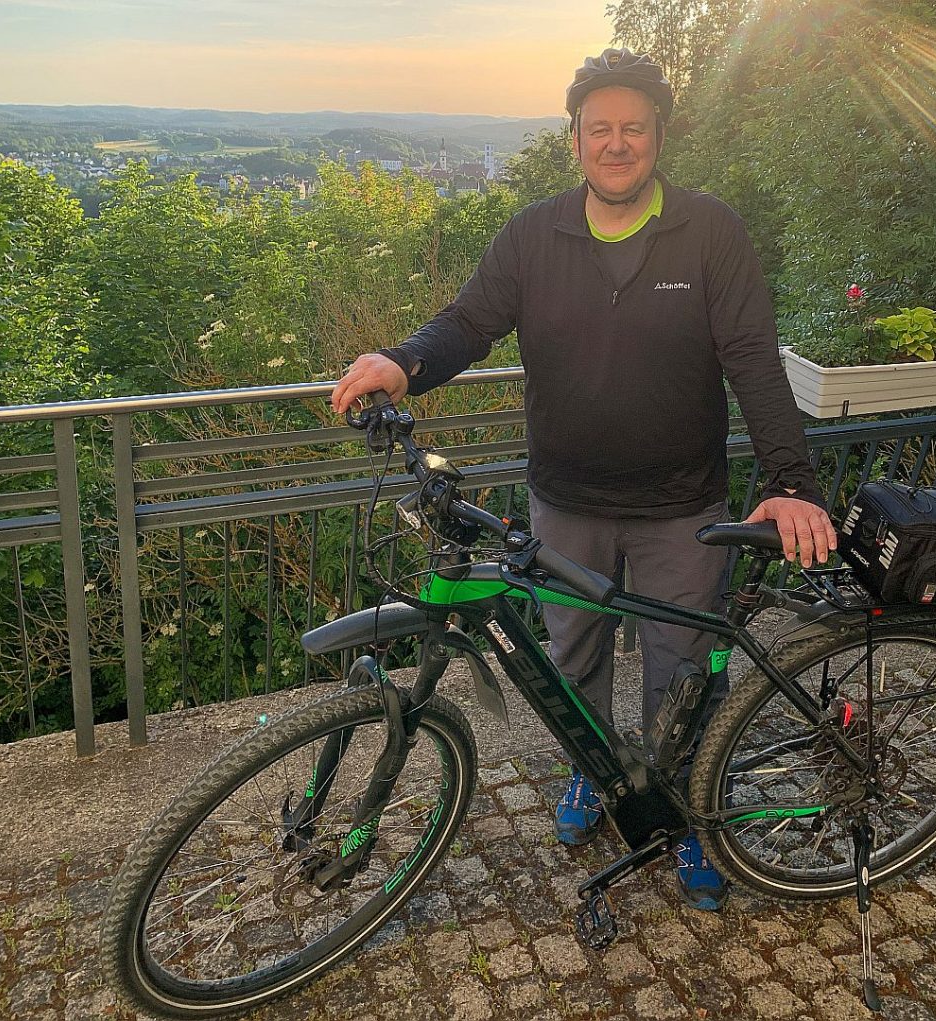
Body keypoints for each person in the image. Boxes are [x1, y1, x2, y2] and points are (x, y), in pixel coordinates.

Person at [332, 48, 837, 911]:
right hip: (565, 501)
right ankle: (592, 778)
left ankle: (687, 813)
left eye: (632, 128)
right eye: (599, 128)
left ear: (658, 137)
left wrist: (791, 478)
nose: (616, 143)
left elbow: (752, 357)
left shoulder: (710, 229)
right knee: (573, 658)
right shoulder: (534, 233)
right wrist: (404, 360)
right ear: (574, 141)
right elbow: (469, 322)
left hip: (684, 505)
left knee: (684, 672)